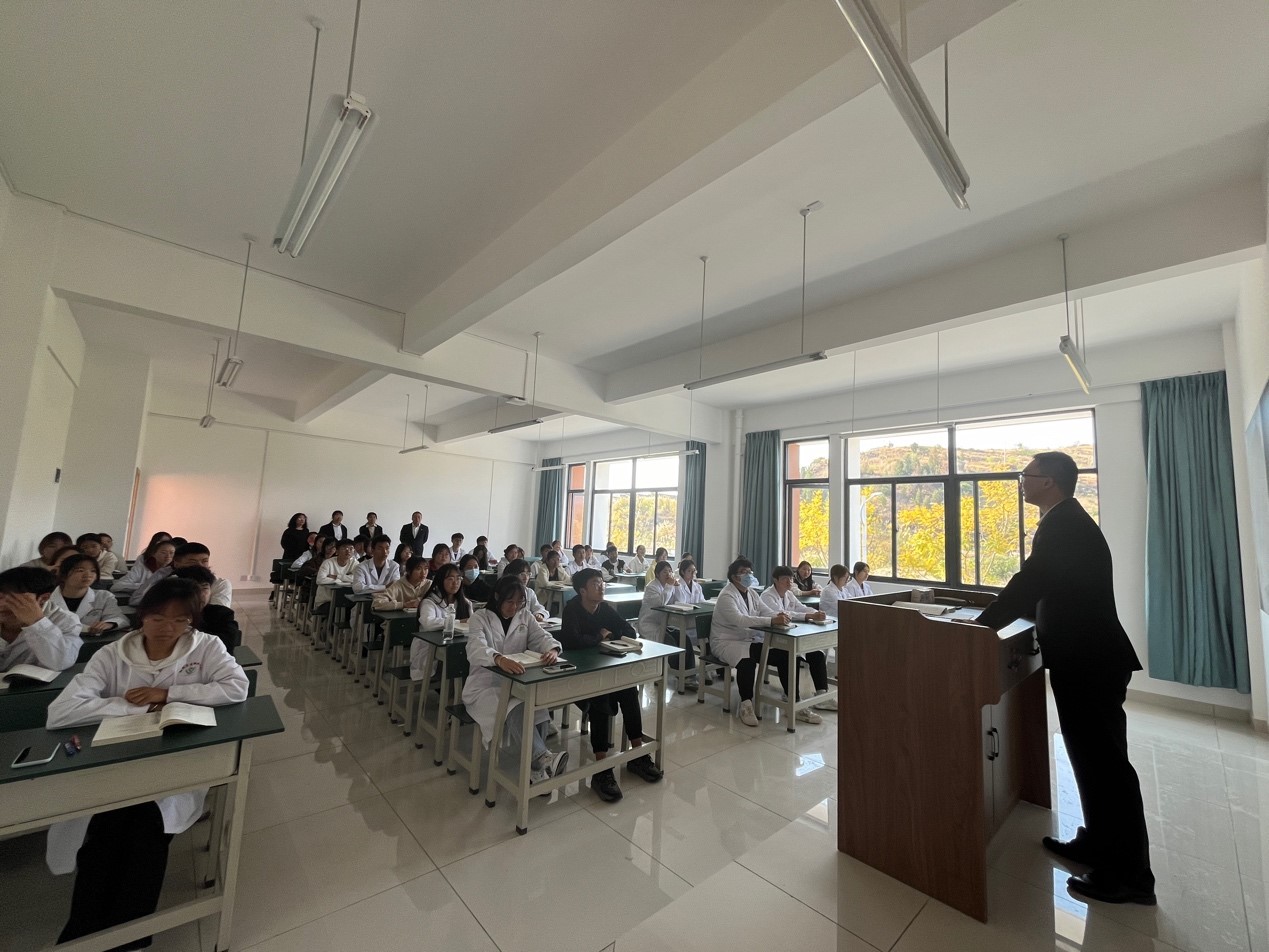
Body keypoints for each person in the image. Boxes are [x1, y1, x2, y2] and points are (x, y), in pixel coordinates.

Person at [976, 451, 1154, 905]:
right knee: (1089, 759)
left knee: (1106, 766)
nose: (1021, 480)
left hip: (1090, 661)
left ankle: (1131, 876)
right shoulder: (1063, 521)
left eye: (1027, 474)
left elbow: (1029, 582)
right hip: (1082, 659)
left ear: (1049, 482)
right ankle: (1099, 843)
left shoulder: (1064, 525)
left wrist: (981, 626)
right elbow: (1050, 588)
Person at [47, 577, 248, 946]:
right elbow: (60, 713)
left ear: (192, 621)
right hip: (115, 762)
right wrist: (133, 706)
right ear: (142, 616)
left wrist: (168, 693)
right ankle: (83, 934)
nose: (167, 628)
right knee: (107, 832)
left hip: (175, 765)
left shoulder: (206, 647)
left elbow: (237, 687)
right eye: (158, 618)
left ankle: (131, 939)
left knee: (146, 831)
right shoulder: (113, 653)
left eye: (180, 620)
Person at [558, 569, 663, 801]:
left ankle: (637, 753)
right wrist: (599, 636)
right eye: (596, 584)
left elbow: (628, 629)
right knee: (600, 698)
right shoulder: (572, 609)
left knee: (629, 691)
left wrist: (608, 635)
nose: (602, 587)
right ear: (582, 590)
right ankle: (602, 768)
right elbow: (572, 641)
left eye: (602, 582)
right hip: (580, 675)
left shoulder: (604, 608)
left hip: (606, 668)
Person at [462, 576, 566, 786]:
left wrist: (553, 650)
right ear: (497, 597)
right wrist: (498, 659)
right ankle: (542, 759)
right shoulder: (480, 618)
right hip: (485, 687)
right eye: (510, 602)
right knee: (517, 705)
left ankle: (538, 765)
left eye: (519, 602)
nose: (515, 607)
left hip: (516, 682)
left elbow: (541, 637)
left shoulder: (524, 616)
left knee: (539, 708)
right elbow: (475, 648)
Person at [711, 557, 791, 727]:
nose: (748, 575)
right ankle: (746, 704)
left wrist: (779, 615)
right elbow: (740, 620)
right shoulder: (726, 595)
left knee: (784, 655)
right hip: (726, 641)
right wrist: (771, 621)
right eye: (744, 572)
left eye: (749, 572)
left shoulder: (752, 593)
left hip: (748, 639)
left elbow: (765, 611)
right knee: (746, 661)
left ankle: (792, 699)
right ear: (734, 577)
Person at [758, 565, 836, 719]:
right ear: (775, 580)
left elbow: (801, 608)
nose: (789, 582)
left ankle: (822, 696)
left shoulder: (788, 594)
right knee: (789, 658)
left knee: (817, 654)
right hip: (770, 640)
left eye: (791, 579)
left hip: (790, 635)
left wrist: (816, 613)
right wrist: (809, 617)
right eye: (785, 579)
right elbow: (783, 615)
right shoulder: (767, 596)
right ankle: (793, 699)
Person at [0, 566, 83, 671]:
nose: (1, 604)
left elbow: (60, 662)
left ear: (43, 598)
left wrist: (36, 622)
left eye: (14, 599)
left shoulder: (65, 620)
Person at [638, 560, 696, 688]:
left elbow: (681, 601)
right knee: (670, 642)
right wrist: (670, 586)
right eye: (664, 572)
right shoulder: (651, 587)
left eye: (670, 571)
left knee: (684, 638)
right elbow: (661, 603)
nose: (668, 574)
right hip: (650, 625)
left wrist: (677, 586)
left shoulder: (670, 585)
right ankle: (679, 674)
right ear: (657, 574)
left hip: (665, 624)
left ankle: (690, 675)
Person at [133, 542, 232, 607]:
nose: (200, 566)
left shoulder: (220, 584)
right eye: (192, 562)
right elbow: (137, 599)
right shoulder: (165, 576)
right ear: (176, 563)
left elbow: (219, 613)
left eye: (204, 561)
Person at [51, 554, 128, 634]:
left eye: (93, 571)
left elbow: (119, 618)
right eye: (80, 570)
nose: (88, 575)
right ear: (64, 575)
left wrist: (109, 624)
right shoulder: (46, 598)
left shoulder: (104, 597)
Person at [172, 565, 242, 651]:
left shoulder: (222, 614)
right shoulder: (167, 615)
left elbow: (225, 646)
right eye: (194, 588)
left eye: (205, 588)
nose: (201, 594)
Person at [418, 563, 473, 630]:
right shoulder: (429, 602)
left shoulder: (466, 603)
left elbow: (472, 625)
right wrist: (459, 622)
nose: (455, 583)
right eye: (450, 579)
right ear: (440, 581)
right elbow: (428, 623)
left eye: (458, 578)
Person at [112, 539, 176, 596]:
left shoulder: (175, 571)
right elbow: (117, 586)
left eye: (172, 553)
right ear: (154, 554)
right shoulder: (143, 568)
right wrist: (147, 585)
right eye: (164, 552)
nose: (168, 556)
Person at [316, 539, 359, 606]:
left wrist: (337, 576)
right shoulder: (328, 563)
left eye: (351, 548)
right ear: (337, 551)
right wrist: (340, 581)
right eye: (344, 548)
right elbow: (320, 579)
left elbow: (357, 579)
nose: (348, 551)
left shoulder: (355, 563)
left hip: (346, 599)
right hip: (326, 600)